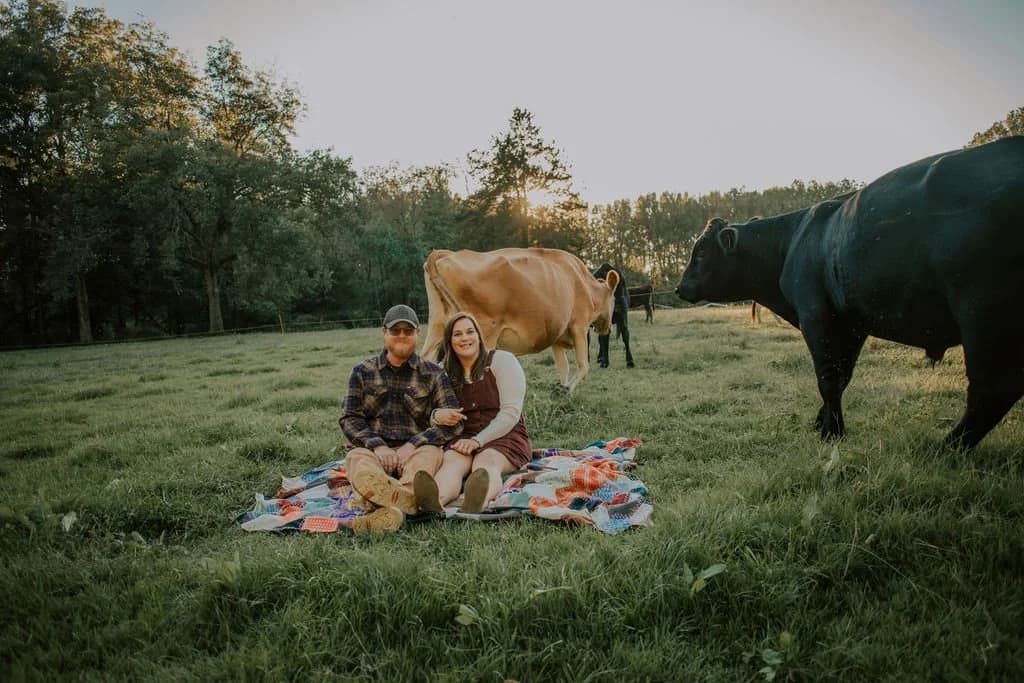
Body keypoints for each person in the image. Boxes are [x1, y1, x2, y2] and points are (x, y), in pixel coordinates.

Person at [339, 304, 463, 533]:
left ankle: (393, 502)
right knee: (357, 458)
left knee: (428, 458)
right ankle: (395, 504)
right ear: (384, 333)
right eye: (396, 331)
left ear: (418, 334)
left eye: (409, 330)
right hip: (373, 449)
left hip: (417, 447)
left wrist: (412, 444)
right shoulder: (361, 371)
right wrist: (378, 447)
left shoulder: (434, 373)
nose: (402, 336)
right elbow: (350, 418)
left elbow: (454, 422)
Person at [414, 311, 532, 514]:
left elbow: (511, 413)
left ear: (479, 335)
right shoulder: (443, 372)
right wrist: (437, 416)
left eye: (470, 332)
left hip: (505, 435)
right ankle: (434, 501)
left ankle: (477, 500)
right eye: (457, 334)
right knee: (452, 463)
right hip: (463, 436)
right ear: (449, 341)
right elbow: (425, 411)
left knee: (486, 461)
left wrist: (478, 441)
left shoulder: (502, 361)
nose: (465, 338)